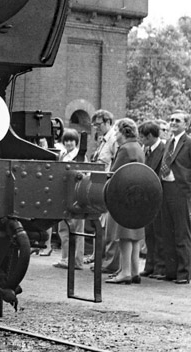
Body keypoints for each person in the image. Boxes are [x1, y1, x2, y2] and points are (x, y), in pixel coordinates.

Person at [157, 111, 191, 284]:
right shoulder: (169, 141)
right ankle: (170, 272)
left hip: (180, 191)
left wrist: (183, 180)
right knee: (167, 232)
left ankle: (183, 274)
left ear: (186, 124)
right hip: (165, 190)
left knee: (182, 233)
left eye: (177, 120)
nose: (173, 123)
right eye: (171, 120)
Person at [105, 119, 146, 284]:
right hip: (139, 196)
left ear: (124, 132)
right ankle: (134, 271)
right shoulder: (138, 148)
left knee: (124, 235)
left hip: (124, 196)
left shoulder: (125, 149)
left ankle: (125, 273)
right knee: (135, 235)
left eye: (116, 131)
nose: (115, 134)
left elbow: (114, 173)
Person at [87, 110, 119, 272]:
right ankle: (101, 258)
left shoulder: (113, 139)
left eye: (98, 125)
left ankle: (108, 261)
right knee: (102, 223)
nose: (96, 128)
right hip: (101, 187)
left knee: (107, 225)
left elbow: (115, 164)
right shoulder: (103, 140)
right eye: (94, 125)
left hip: (108, 186)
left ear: (108, 122)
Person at [53, 129, 85, 270]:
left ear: (76, 141)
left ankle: (77, 260)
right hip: (64, 196)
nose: (69, 143)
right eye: (66, 140)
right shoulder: (63, 155)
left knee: (77, 229)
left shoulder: (80, 156)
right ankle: (65, 258)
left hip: (76, 196)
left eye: (71, 140)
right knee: (64, 229)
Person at [139, 120, 166, 278]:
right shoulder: (145, 150)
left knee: (159, 233)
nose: (141, 139)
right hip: (148, 197)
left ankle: (160, 267)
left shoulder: (164, 149)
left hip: (158, 196)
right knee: (149, 233)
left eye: (142, 136)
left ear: (150, 136)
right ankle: (150, 265)